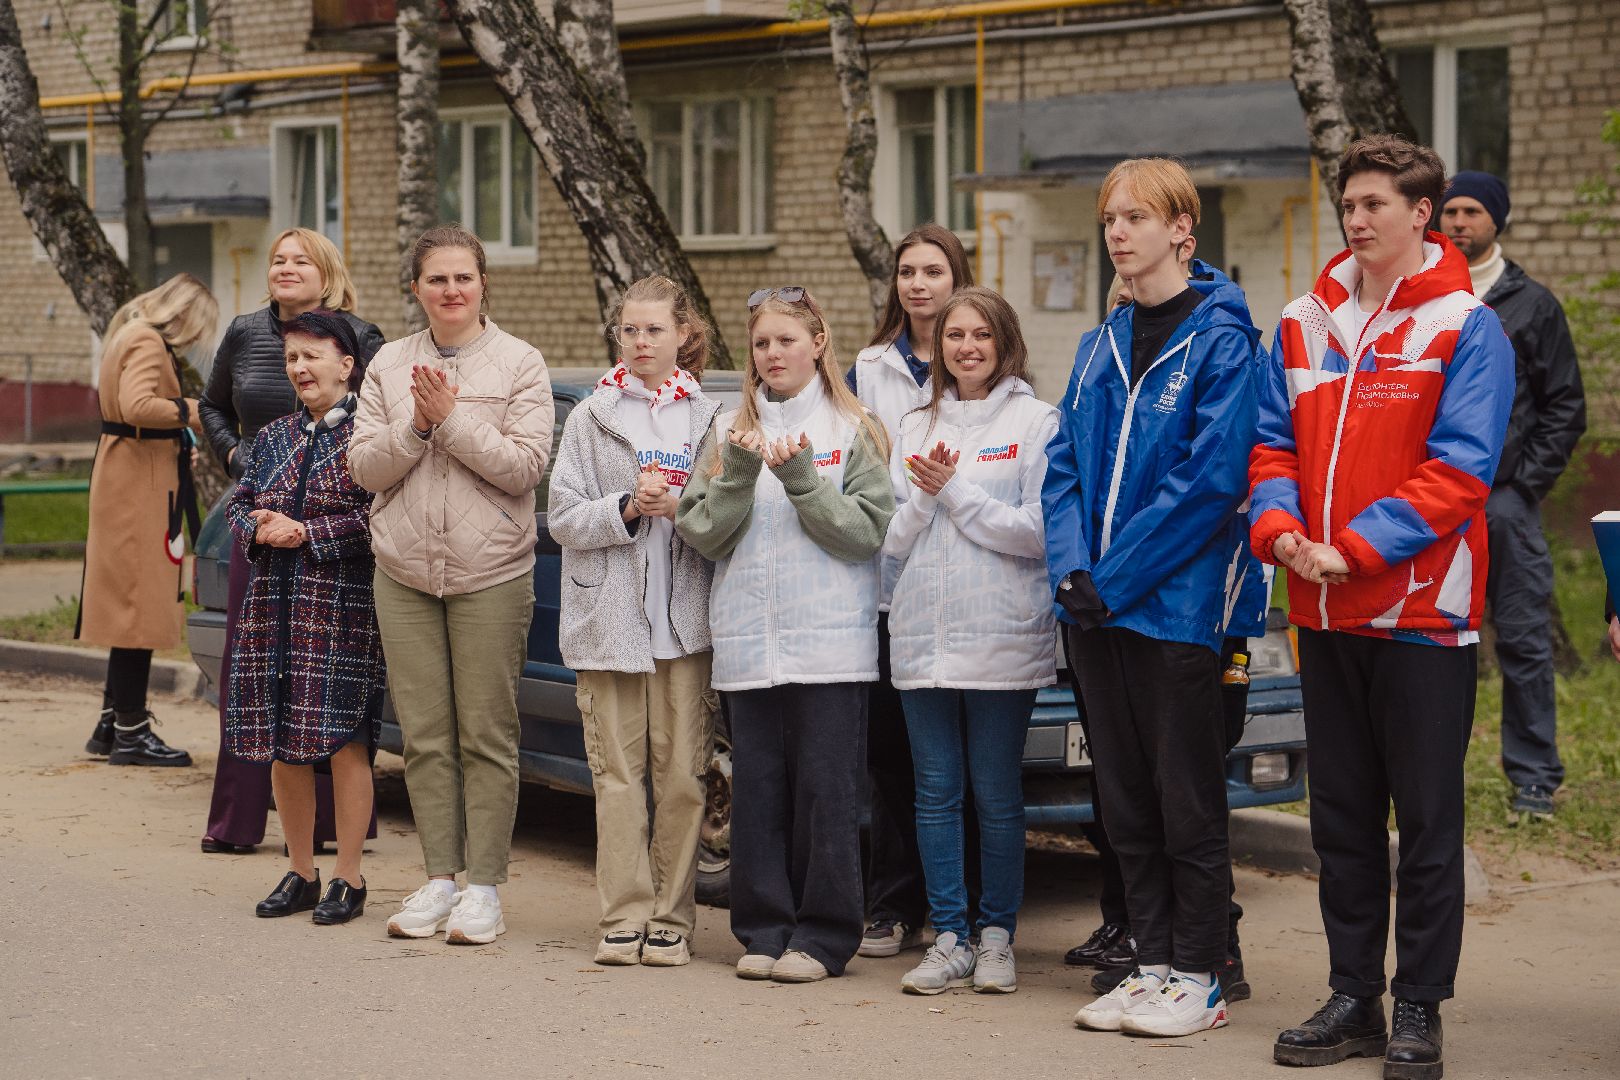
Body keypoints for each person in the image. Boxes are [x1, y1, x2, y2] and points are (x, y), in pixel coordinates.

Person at [1253, 136, 1513, 1078]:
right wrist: (1279, 528)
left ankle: (1419, 1008)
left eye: (1375, 205)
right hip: (1322, 612)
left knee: (1428, 825)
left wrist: (1353, 548)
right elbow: (1271, 441)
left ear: (1421, 213)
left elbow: (1462, 473)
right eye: (1348, 204)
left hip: (1421, 618)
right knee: (1344, 818)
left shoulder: (1465, 324)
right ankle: (1354, 993)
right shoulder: (1302, 320)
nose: (1357, 220)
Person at [1043, 157, 1261, 1039]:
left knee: (1185, 799)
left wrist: (1113, 578)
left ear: (1182, 230)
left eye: (1135, 217)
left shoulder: (1223, 340)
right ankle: (1154, 965)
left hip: (1173, 610)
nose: (1118, 234)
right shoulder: (1099, 345)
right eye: (1108, 221)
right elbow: (1061, 468)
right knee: (1124, 799)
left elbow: (1210, 484)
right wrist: (1070, 574)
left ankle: (1203, 975)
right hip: (1095, 610)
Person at [676, 285, 894, 984]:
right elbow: (703, 533)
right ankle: (763, 930)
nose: (773, 354)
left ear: (818, 343)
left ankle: (824, 937)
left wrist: (802, 479)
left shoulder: (853, 428)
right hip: (748, 644)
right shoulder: (724, 432)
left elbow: (863, 535)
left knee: (825, 797)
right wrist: (737, 474)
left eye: (787, 341)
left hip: (830, 646)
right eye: (763, 343)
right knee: (760, 794)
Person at [349, 225, 554, 946]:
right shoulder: (386, 363)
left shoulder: (520, 362)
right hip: (403, 571)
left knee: (488, 734)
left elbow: (525, 467)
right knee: (426, 737)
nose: (451, 290)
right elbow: (365, 468)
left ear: (482, 283)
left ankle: (485, 889)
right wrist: (416, 426)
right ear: (417, 289)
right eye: (436, 279)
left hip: (490, 570)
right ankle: (439, 879)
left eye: (463, 277)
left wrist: (450, 420)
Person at [881, 287, 1058, 995]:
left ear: (1004, 340)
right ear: (938, 346)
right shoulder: (911, 423)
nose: (967, 347)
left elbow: (1037, 535)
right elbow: (890, 543)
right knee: (935, 793)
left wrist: (953, 492)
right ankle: (949, 935)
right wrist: (926, 496)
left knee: (995, 794)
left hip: (1001, 635)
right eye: (955, 336)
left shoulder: (1036, 420)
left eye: (981, 334)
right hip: (923, 629)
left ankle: (996, 937)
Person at [548, 275, 725, 967]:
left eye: (655, 329)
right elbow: (563, 516)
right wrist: (626, 505)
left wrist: (680, 504)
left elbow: (725, 518)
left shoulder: (708, 420)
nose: (642, 341)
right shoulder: (593, 416)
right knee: (617, 779)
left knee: (683, 777)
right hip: (609, 624)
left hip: (683, 625)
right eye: (630, 329)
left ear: (684, 334)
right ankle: (623, 914)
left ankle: (672, 920)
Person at [194, 227, 385, 855]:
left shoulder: (360, 337)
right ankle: (239, 824)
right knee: (257, 676)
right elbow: (212, 405)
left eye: (301, 260)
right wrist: (237, 458)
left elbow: (384, 432)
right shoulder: (247, 333)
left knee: (324, 686)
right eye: (277, 259)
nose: (285, 268)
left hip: (334, 546)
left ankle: (334, 840)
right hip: (263, 519)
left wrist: (312, 529)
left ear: (326, 272)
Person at [225, 311, 385, 924]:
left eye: (312, 356)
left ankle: (348, 876)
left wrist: (309, 532)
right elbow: (239, 504)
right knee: (282, 744)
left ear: (346, 365)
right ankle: (299, 870)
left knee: (346, 741)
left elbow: (378, 517)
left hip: (339, 605)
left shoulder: (368, 436)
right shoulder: (273, 436)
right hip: (272, 606)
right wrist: (260, 525)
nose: (300, 368)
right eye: (292, 358)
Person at [1438, 171, 1587, 823]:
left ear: (1496, 221)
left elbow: (1566, 406)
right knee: (1434, 644)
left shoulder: (1532, 304)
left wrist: (1523, 485)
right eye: (1450, 212)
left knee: (1523, 639)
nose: (1459, 223)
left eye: (1472, 211)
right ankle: (1432, 779)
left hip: (1503, 503)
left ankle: (1532, 778)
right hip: (1434, 506)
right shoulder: (1426, 299)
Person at [847, 224, 974, 959]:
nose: (919, 283)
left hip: (967, 579)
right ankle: (894, 903)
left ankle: (966, 906)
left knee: (960, 755)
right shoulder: (870, 368)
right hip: (891, 582)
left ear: (957, 277)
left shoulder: (978, 356)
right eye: (906, 271)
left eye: (934, 270)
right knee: (893, 751)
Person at [77, 274, 219, 766]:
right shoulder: (145, 339)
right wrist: (191, 412)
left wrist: (177, 442)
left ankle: (112, 724)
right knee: (139, 605)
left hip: (136, 472)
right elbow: (137, 406)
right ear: (183, 313)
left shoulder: (131, 332)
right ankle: (132, 731)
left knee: (130, 603)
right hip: (138, 483)